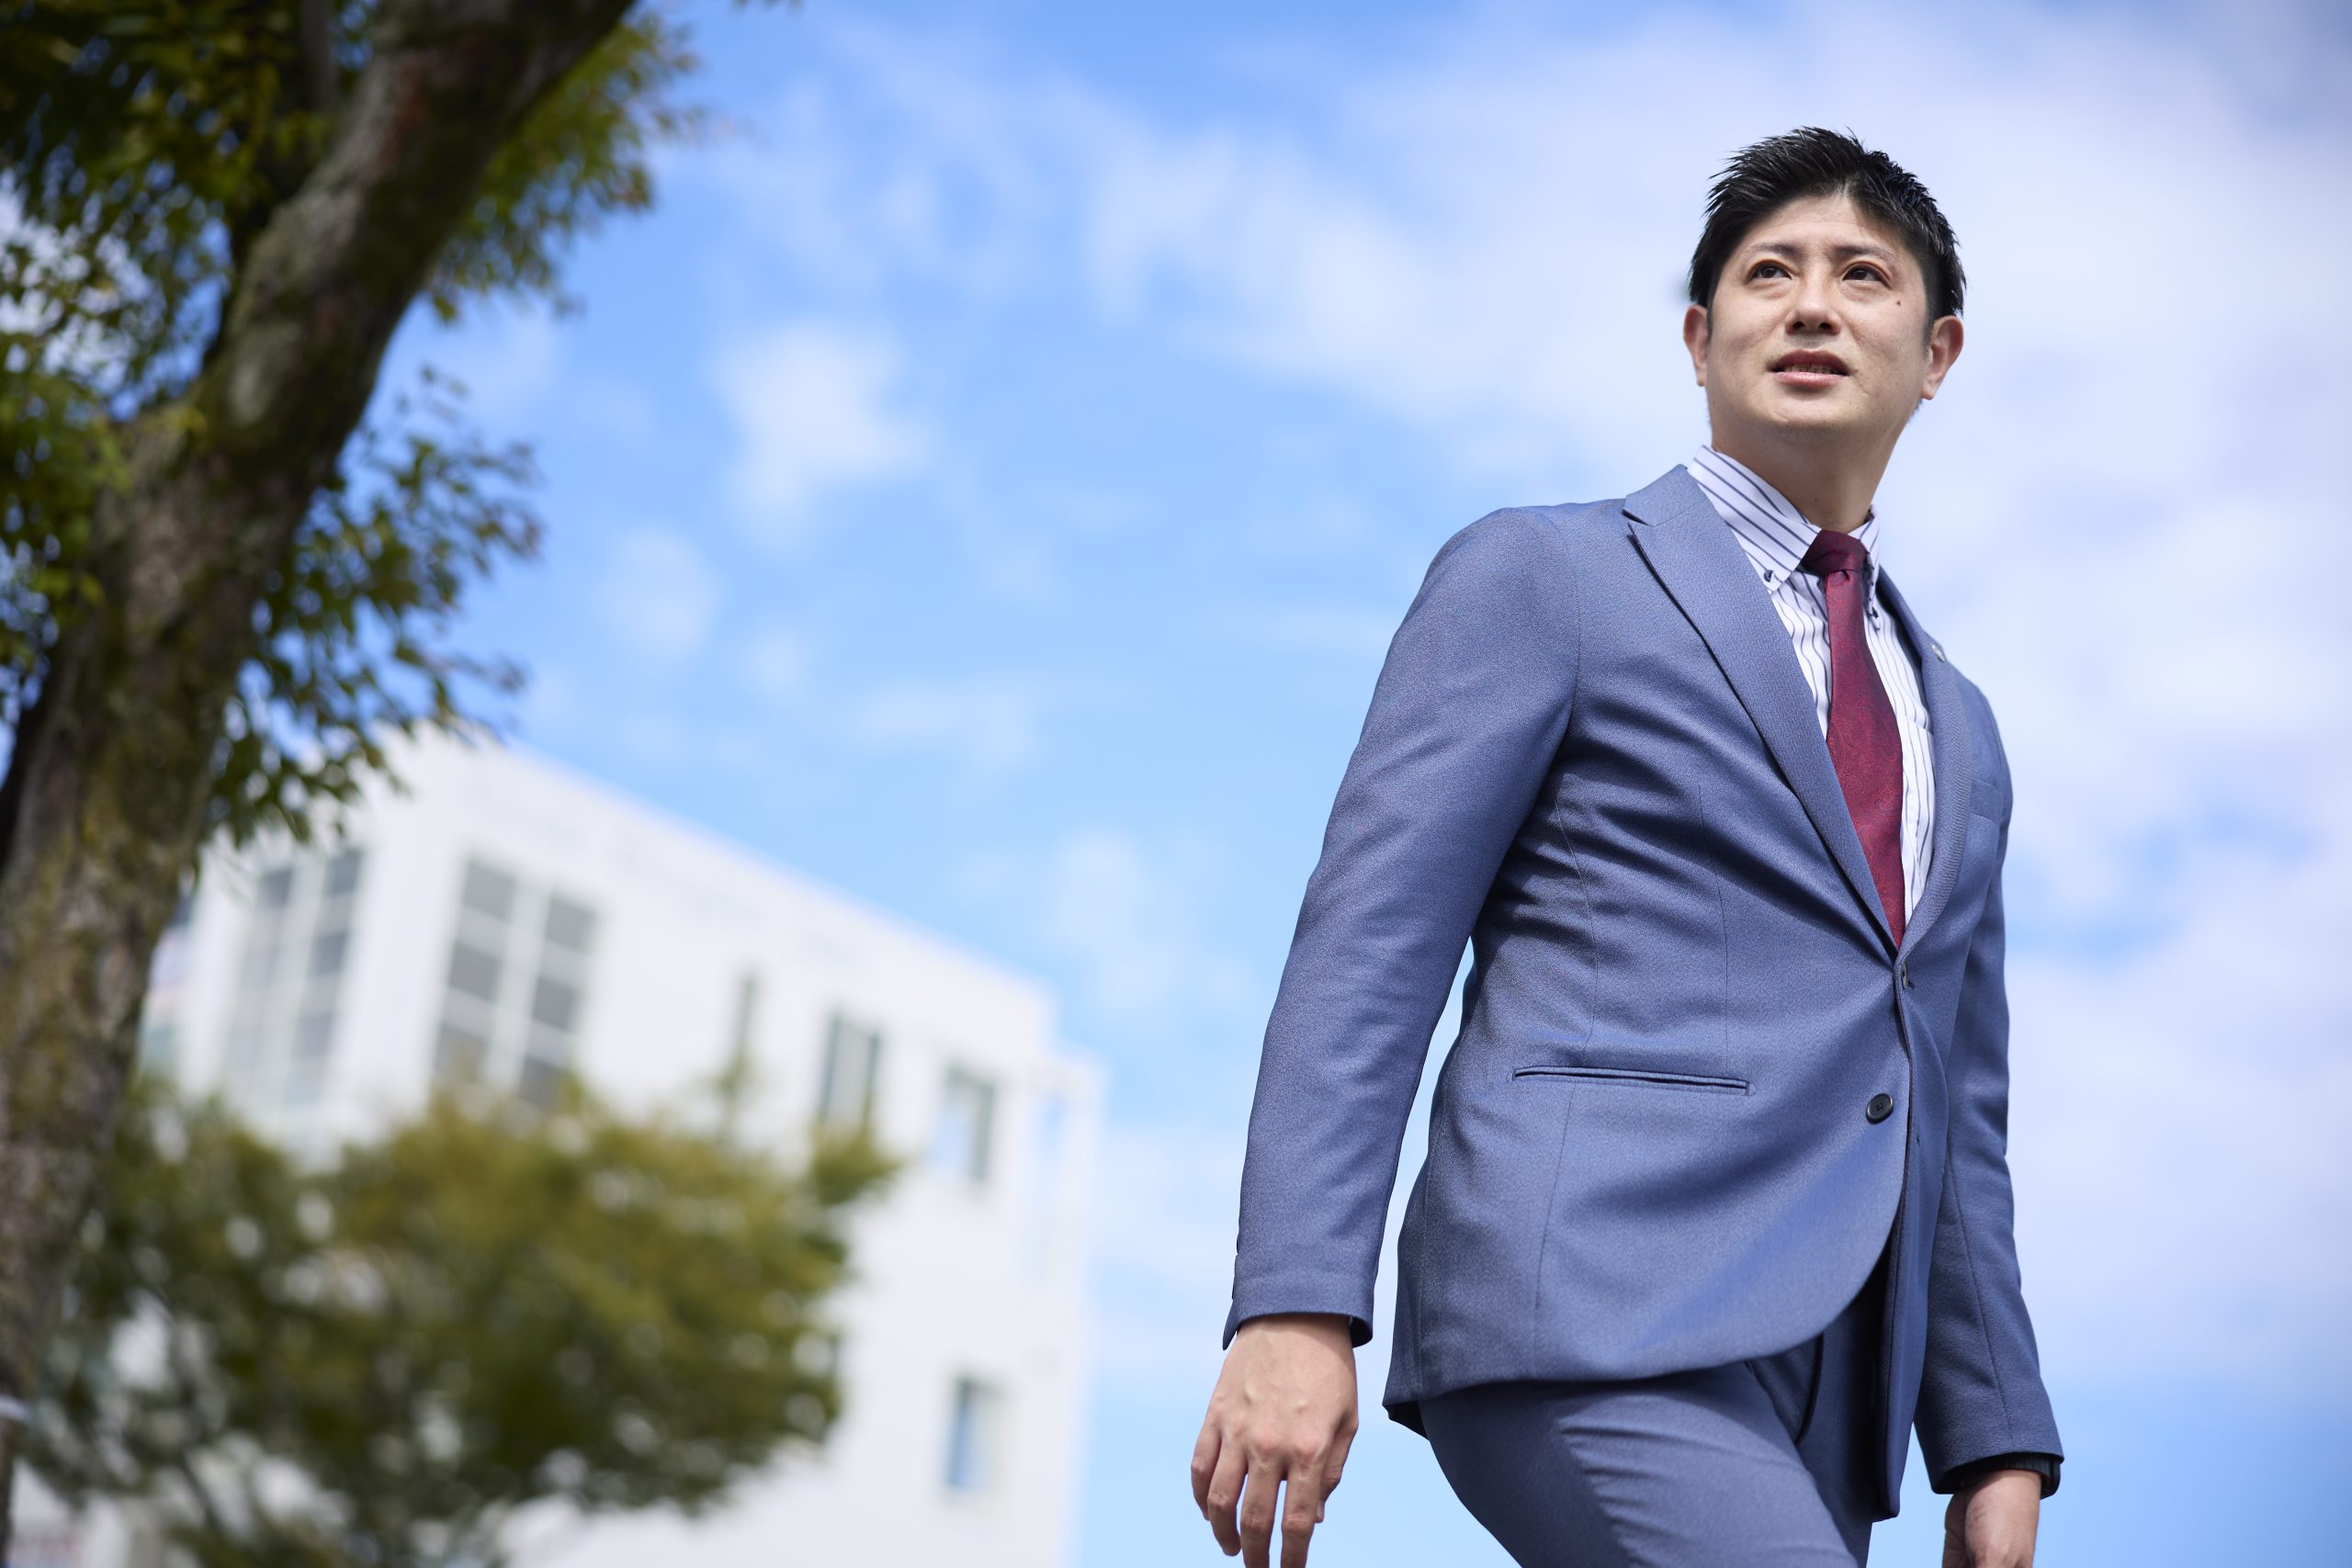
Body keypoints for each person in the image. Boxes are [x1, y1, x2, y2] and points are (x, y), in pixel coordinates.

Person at [1189, 127, 2064, 1568]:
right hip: (1588, 1308)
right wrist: (1294, 1302)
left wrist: (1992, 1437)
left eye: (1863, 275)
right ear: (1699, 338)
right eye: (1769, 272)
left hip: (1830, 1391)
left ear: (1938, 353)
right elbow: (1370, 949)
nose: (1812, 303)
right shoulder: (1547, 577)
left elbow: (1952, 1103)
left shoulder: (1958, 727)